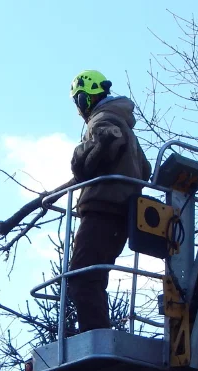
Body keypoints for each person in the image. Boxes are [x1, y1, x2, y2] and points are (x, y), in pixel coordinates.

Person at [65, 70, 152, 333]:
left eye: (79, 100)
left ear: (86, 98)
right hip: (124, 212)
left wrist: (79, 158)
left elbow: (105, 145)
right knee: (93, 275)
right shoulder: (123, 122)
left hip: (103, 208)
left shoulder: (103, 119)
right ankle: (98, 335)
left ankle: (95, 339)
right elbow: (145, 170)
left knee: (81, 277)